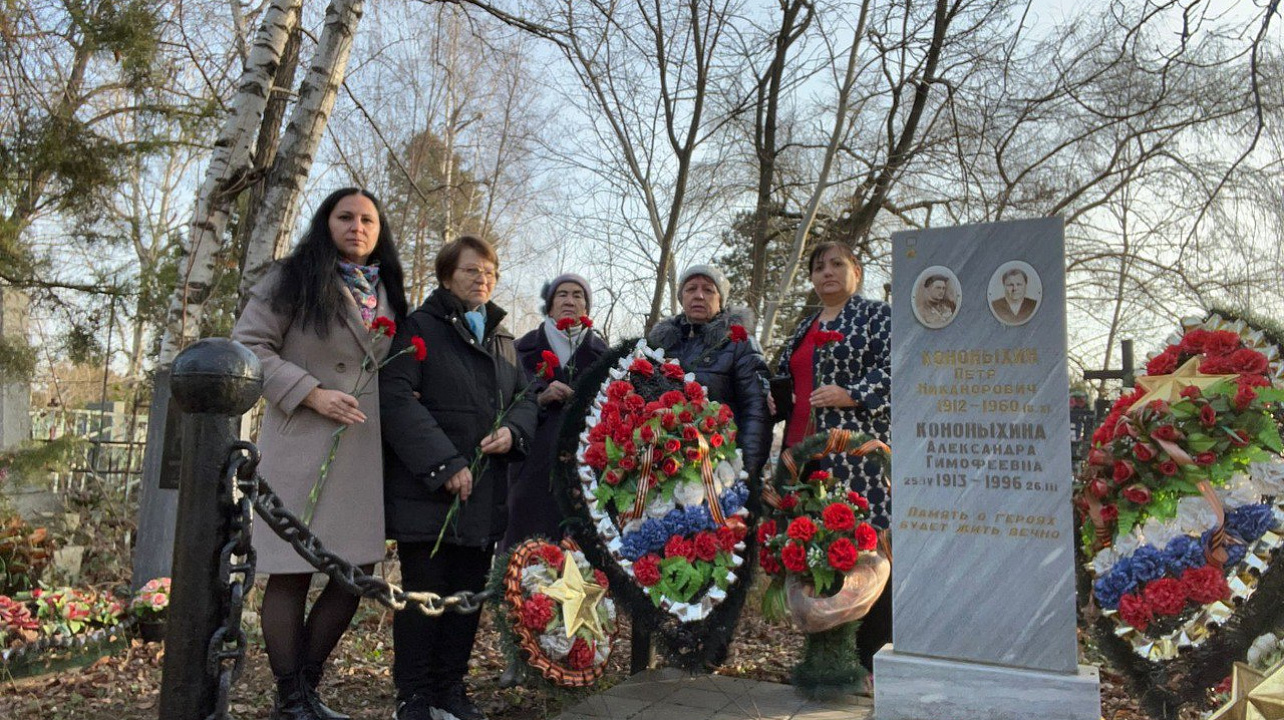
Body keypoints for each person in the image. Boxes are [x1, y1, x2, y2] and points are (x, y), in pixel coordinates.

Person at [233, 188, 408, 720]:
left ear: (380, 231)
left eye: (368, 219)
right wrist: (310, 391)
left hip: (360, 451)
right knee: (291, 572)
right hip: (301, 442)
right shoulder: (289, 278)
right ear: (325, 222)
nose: (357, 226)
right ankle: (292, 699)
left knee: (353, 573)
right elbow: (248, 346)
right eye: (345, 217)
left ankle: (307, 689)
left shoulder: (392, 292)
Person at [379, 235, 538, 720]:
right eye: (472, 270)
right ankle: (414, 696)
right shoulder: (419, 328)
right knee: (424, 597)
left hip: (483, 496)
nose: (483, 279)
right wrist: (445, 464)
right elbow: (395, 395)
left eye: (490, 271)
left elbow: (525, 399)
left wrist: (513, 432)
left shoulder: (503, 338)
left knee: (465, 600)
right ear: (447, 276)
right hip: (427, 494)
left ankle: (451, 690)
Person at [774, 241, 890, 681]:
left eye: (837, 264)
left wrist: (853, 394)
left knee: (863, 551)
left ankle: (872, 659)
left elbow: (896, 365)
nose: (827, 272)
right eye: (818, 266)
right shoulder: (804, 327)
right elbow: (786, 379)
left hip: (856, 458)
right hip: (806, 461)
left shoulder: (877, 317)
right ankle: (826, 663)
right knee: (818, 556)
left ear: (855, 272)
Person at [502, 273, 607, 549]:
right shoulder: (519, 349)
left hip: (583, 475)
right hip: (529, 471)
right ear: (549, 305)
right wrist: (539, 398)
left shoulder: (605, 357)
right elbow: (502, 404)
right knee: (524, 558)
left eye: (578, 295)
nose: (570, 300)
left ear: (587, 308)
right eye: (562, 294)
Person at [647, 264, 771, 480]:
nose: (699, 296)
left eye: (708, 290)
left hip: (720, 467)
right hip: (664, 467)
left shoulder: (739, 344)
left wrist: (746, 472)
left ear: (720, 300)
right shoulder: (659, 347)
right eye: (691, 289)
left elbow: (756, 409)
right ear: (681, 297)